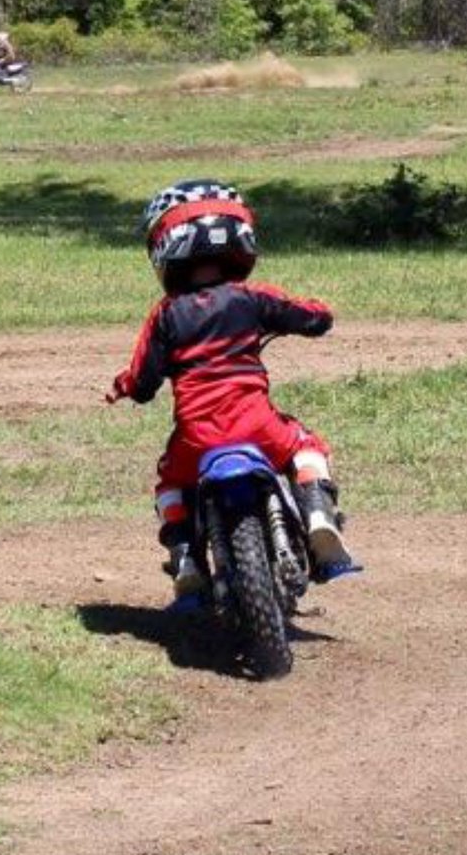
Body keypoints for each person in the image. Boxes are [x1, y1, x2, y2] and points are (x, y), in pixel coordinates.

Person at [106, 178, 362, 597]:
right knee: (306, 446)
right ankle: (318, 515)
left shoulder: (165, 314)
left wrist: (124, 387)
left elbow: (143, 380)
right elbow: (312, 317)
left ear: (165, 246)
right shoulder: (252, 297)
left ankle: (186, 555)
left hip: (196, 437)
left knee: (170, 484)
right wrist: (320, 315)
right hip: (259, 425)